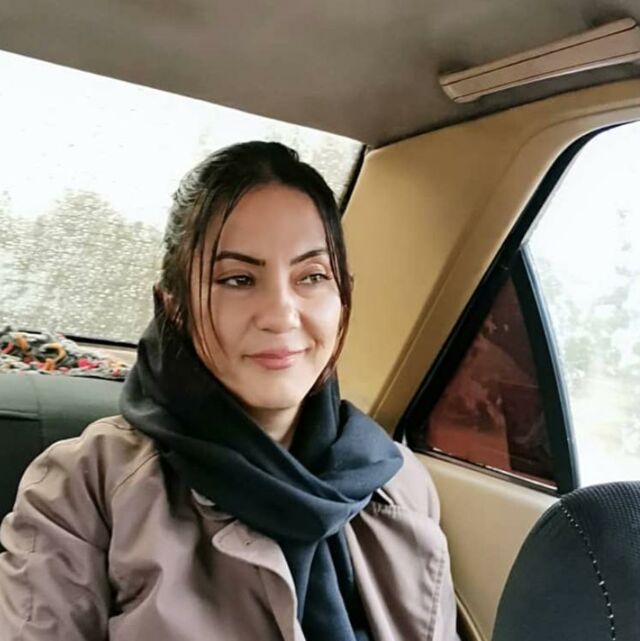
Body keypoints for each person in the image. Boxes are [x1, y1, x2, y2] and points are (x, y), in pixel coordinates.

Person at [0, 142, 458, 640]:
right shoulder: (85, 486)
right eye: (238, 279)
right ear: (174, 306)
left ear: (343, 295)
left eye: (312, 276)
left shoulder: (399, 481)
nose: (281, 315)